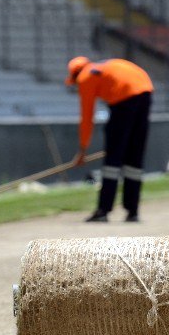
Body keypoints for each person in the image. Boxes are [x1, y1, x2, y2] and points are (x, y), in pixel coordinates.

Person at [66, 55, 153, 223]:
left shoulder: (85, 76)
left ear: (75, 74)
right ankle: (132, 211)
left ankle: (103, 210)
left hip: (123, 100)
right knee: (134, 156)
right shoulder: (105, 66)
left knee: (113, 158)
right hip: (145, 92)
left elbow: (87, 116)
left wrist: (83, 150)